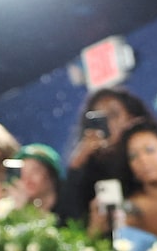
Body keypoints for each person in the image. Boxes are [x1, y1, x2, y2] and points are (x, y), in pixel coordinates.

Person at [89, 118, 157, 242]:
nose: (142, 160)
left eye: (149, 150)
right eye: (133, 156)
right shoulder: (128, 210)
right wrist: (96, 229)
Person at [54, 86, 149, 225]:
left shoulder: (147, 157)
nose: (107, 123)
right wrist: (78, 162)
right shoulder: (87, 170)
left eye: (113, 115)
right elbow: (67, 222)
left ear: (131, 118)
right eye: (100, 118)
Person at [0, 142, 63, 217]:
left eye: (35, 171)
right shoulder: (13, 206)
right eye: (22, 172)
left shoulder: (68, 207)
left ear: (51, 175)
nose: (27, 178)